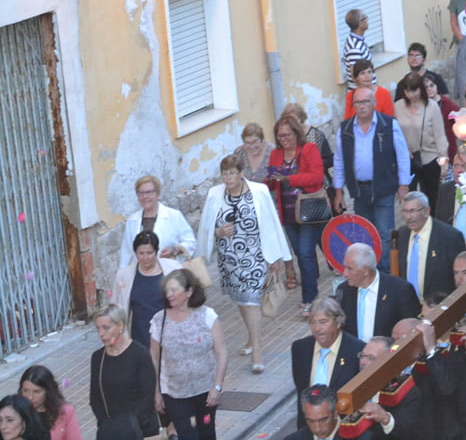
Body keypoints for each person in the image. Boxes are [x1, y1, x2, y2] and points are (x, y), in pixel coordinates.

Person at [198, 153, 290, 370]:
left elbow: (271, 223)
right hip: (229, 258)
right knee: (241, 299)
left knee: (251, 299)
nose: (228, 178)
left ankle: (257, 351)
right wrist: (218, 232)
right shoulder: (214, 194)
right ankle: (251, 336)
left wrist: (275, 256)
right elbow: (206, 226)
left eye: (232, 174)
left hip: (256, 255)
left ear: (241, 174)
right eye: (225, 174)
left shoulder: (259, 192)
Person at [334, 87, 412, 271]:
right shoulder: (345, 129)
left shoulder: (388, 124)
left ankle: (386, 272)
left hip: (384, 188)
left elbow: (402, 156)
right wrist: (338, 191)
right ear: (353, 105)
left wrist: (404, 185)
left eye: (366, 101)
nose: (362, 106)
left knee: (385, 234)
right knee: (364, 234)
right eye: (358, 102)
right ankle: (368, 271)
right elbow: (339, 161)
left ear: (374, 103)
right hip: (359, 191)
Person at [149, 269, 227, 440]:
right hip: (175, 394)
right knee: (187, 435)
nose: (169, 294)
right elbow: (154, 358)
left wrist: (217, 386)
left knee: (206, 433)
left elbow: (221, 352)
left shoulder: (207, 316)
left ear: (189, 292)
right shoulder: (158, 321)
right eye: (167, 290)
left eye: (174, 290)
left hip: (205, 393)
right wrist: (156, 393)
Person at [268, 114, 326, 314]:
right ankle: (311, 293)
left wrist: (289, 179)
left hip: (309, 210)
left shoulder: (309, 149)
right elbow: (271, 182)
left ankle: (309, 298)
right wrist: (267, 179)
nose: (284, 139)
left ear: (296, 133)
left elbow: (317, 177)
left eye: (287, 135)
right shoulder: (276, 154)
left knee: (305, 253)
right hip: (288, 213)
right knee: (301, 255)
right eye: (280, 136)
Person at [289, 299, 364, 427]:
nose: (317, 329)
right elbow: (301, 389)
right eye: (313, 323)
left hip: (343, 429)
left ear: (338, 322)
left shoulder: (357, 351)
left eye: (323, 322)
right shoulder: (300, 348)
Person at [88, 304, 159, 438]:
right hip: (110, 429)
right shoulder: (98, 357)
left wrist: (126, 423)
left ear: (120, 326)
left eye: (106, 328)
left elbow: (146, 396)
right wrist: (105, 422)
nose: (101, 333)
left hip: (140, 429)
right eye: (98, 328)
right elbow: (95, 397)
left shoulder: (140, 354)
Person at [112, 230, 183, 346]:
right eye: (141, 253)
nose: (145, 257)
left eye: (149, 253)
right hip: (139, 335)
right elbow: (115, 310)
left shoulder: (173, 269)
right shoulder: (123, 275)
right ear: (135, 253)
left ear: (156, 252)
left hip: (168, 333)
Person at [335, 243, 419, 341]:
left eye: (350, 269)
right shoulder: (344, 290)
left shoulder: (400, 290)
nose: (345, 273)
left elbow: (411, 329)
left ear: (365, 270)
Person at [396, 191, 465, 299]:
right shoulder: (402, 234)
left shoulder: (450, 237)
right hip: (408, 306)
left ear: (427, 211)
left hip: (438, 306)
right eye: (405, 211)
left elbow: (459, 278)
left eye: (413, 211)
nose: (408, 217)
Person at [394, 72, 448, 210]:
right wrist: (403, 149)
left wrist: (444, 160)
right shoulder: (398, 107)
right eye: (408, 91)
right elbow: (395, 134)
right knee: (409, 200)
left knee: (432, 199)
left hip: (429, 157)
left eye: (414, 90)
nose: (411, 95)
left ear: (420, 89)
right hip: (408, 160)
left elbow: (440, 135)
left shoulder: (432, 107)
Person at [118, 176, 197, 268]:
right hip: (143, 274)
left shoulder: (174, 216)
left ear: (157, 194)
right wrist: (123, 276)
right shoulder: (132, 221)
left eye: (149, 192)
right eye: (141, 193)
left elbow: (191, 242)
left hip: (170, 274)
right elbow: (126, 254)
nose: (145, 197)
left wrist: (174, 249)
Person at [18, 366, 80, 440]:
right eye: (25, 391)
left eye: (36, 391)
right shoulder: (14, 411)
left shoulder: (65, 411)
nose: (30, 397)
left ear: (48, 391)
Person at [342, 9, 374, 91]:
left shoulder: (358, 40)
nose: (367, 20)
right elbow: (355, 76)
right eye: (365, 18)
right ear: (360, 23)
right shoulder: (354, 47)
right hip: (362, 96)